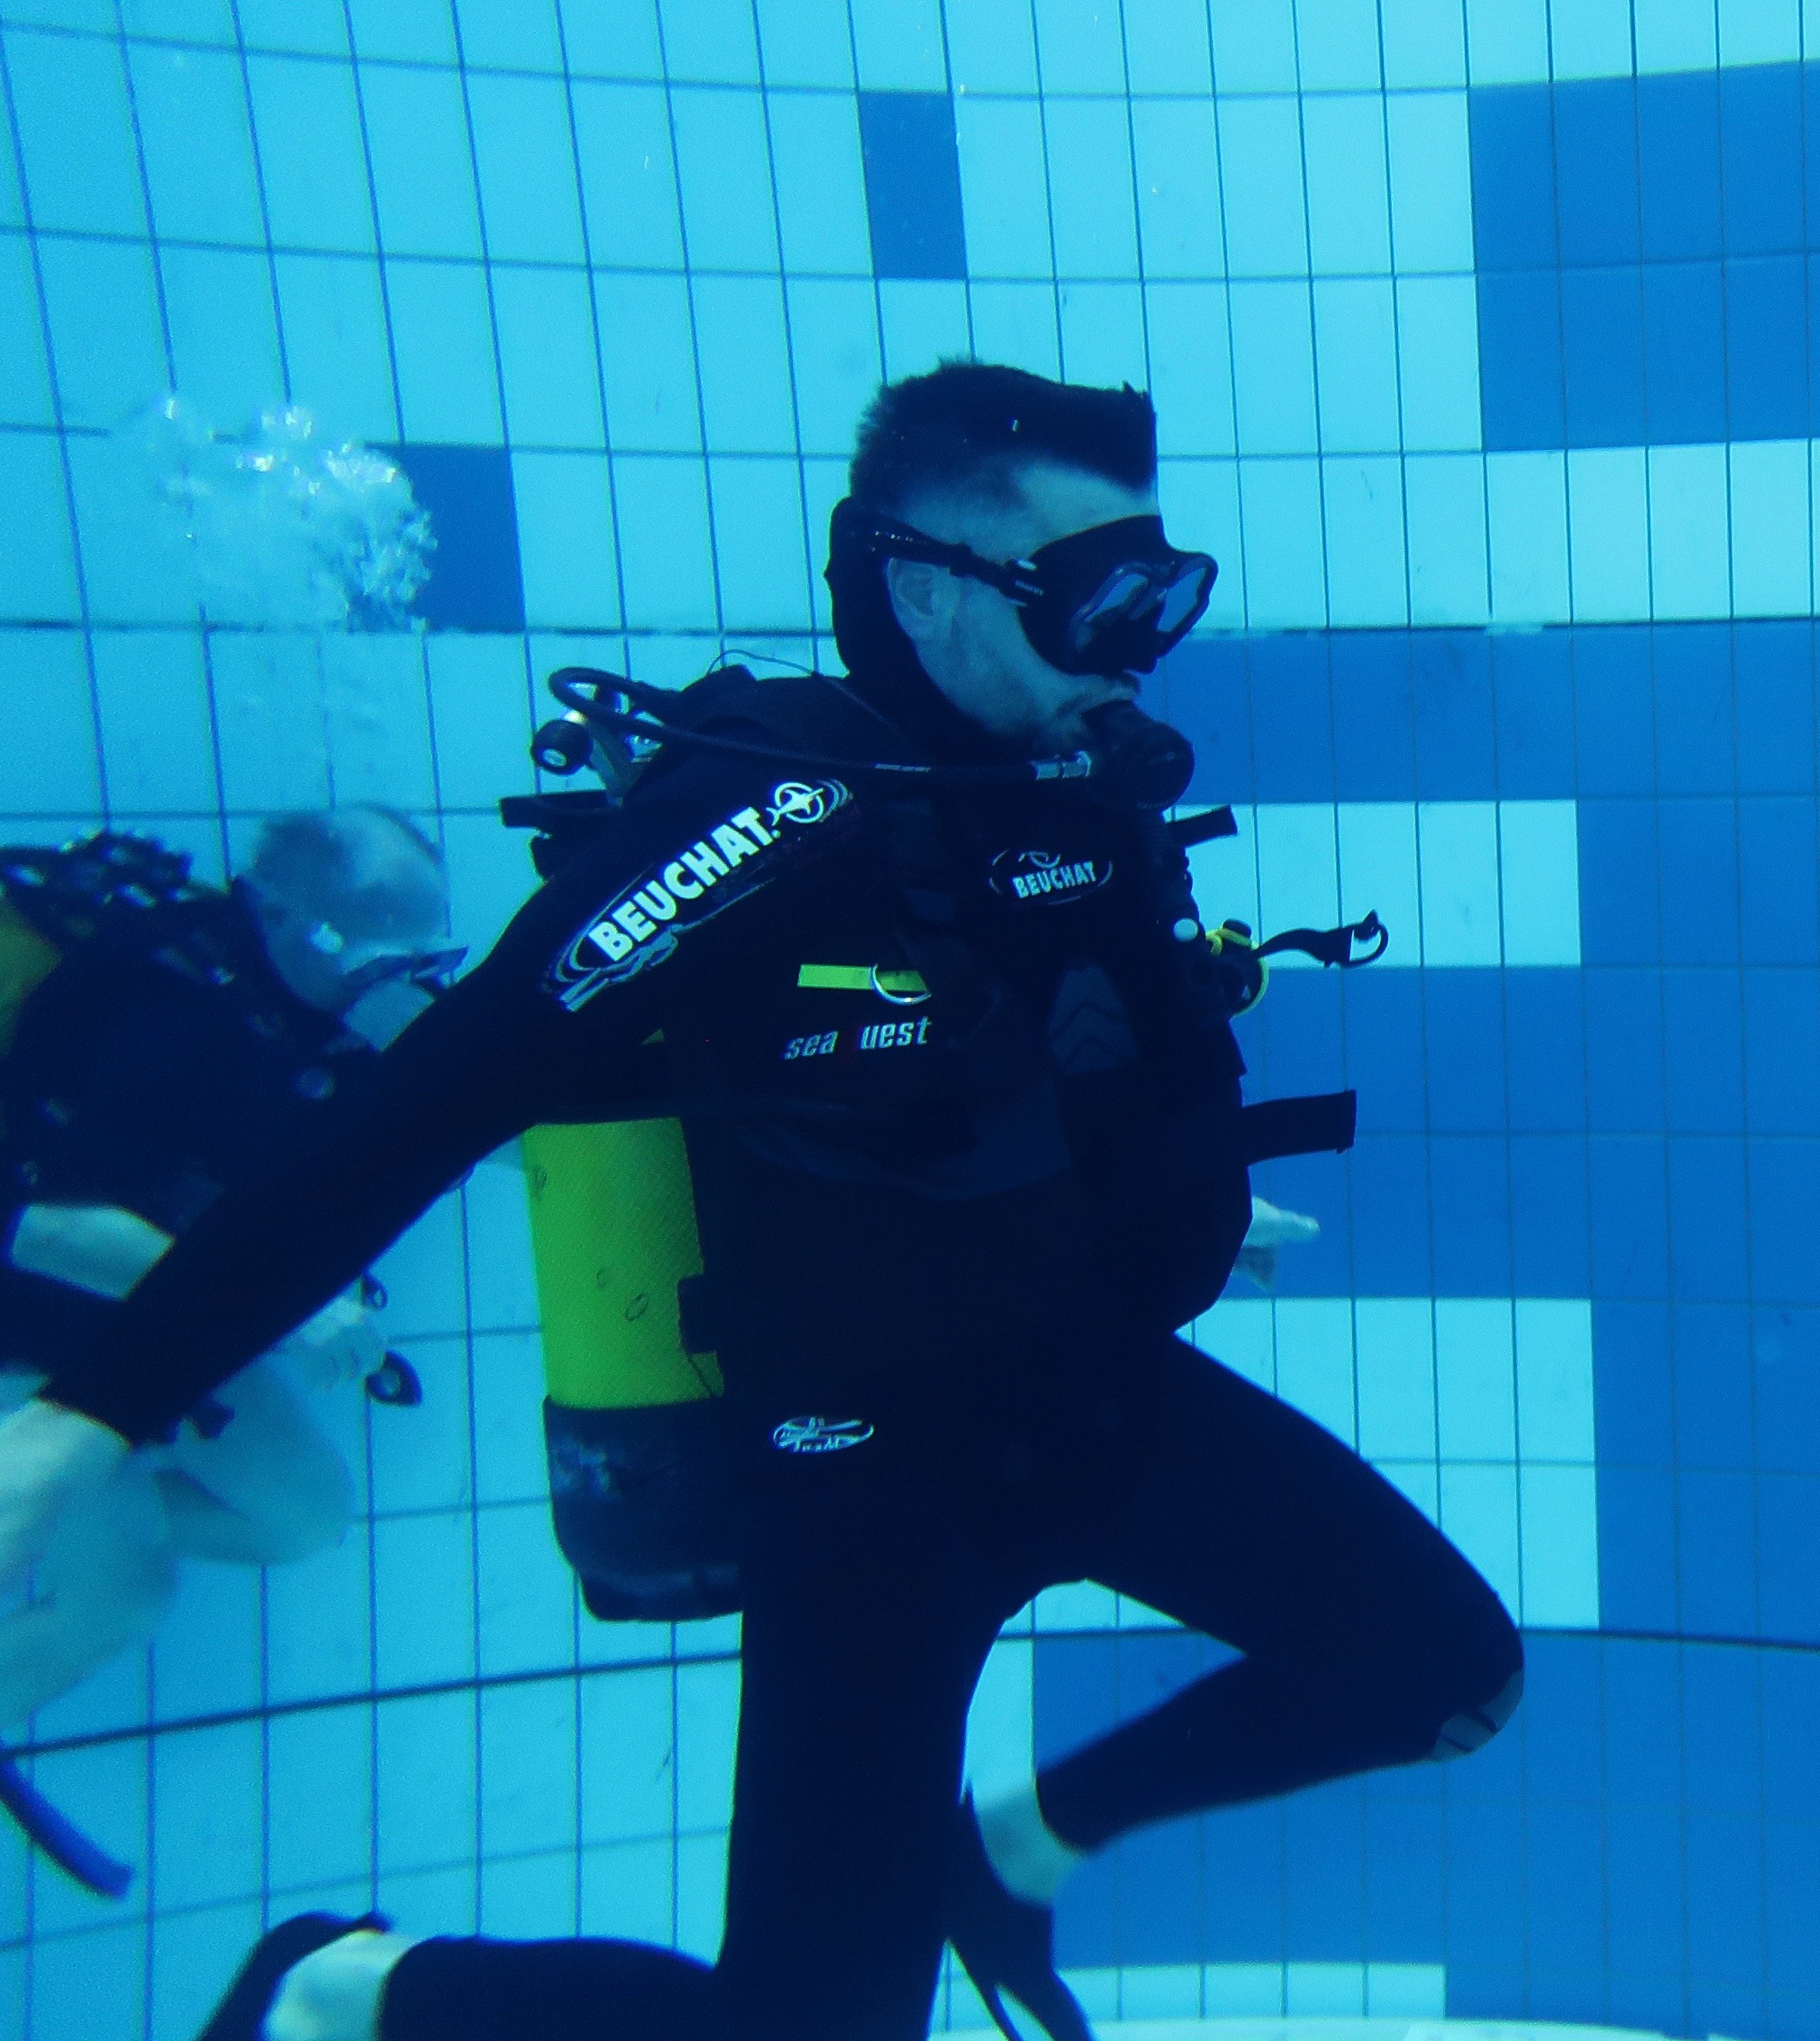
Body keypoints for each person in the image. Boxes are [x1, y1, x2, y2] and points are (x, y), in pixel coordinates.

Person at [0, 363, 1523, 2041]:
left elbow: (1051, 1074)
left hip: (1089, 1393)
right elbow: (421, 1112)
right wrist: (91, 1413)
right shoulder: (774, 799)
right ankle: (341, 1988)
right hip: (869, 1470)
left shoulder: (1069, 796)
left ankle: (1006, 1855)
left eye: (1163, 591)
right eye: (1098, 594)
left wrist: (1178, 1195)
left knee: (1443, 1674)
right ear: (927, 587)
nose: (1137, 644)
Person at [0, 815, 438, 1886]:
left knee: (304, 1515)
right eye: (367, 956)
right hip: (45, 1332)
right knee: (124, 1597)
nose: (390, 982)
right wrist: (286, 1309)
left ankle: (101, 1509)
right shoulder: (157, 1012)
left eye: (419, 958)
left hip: (181, 1319)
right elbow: (42, 1228)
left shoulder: (313, 1013)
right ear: (278, 915)